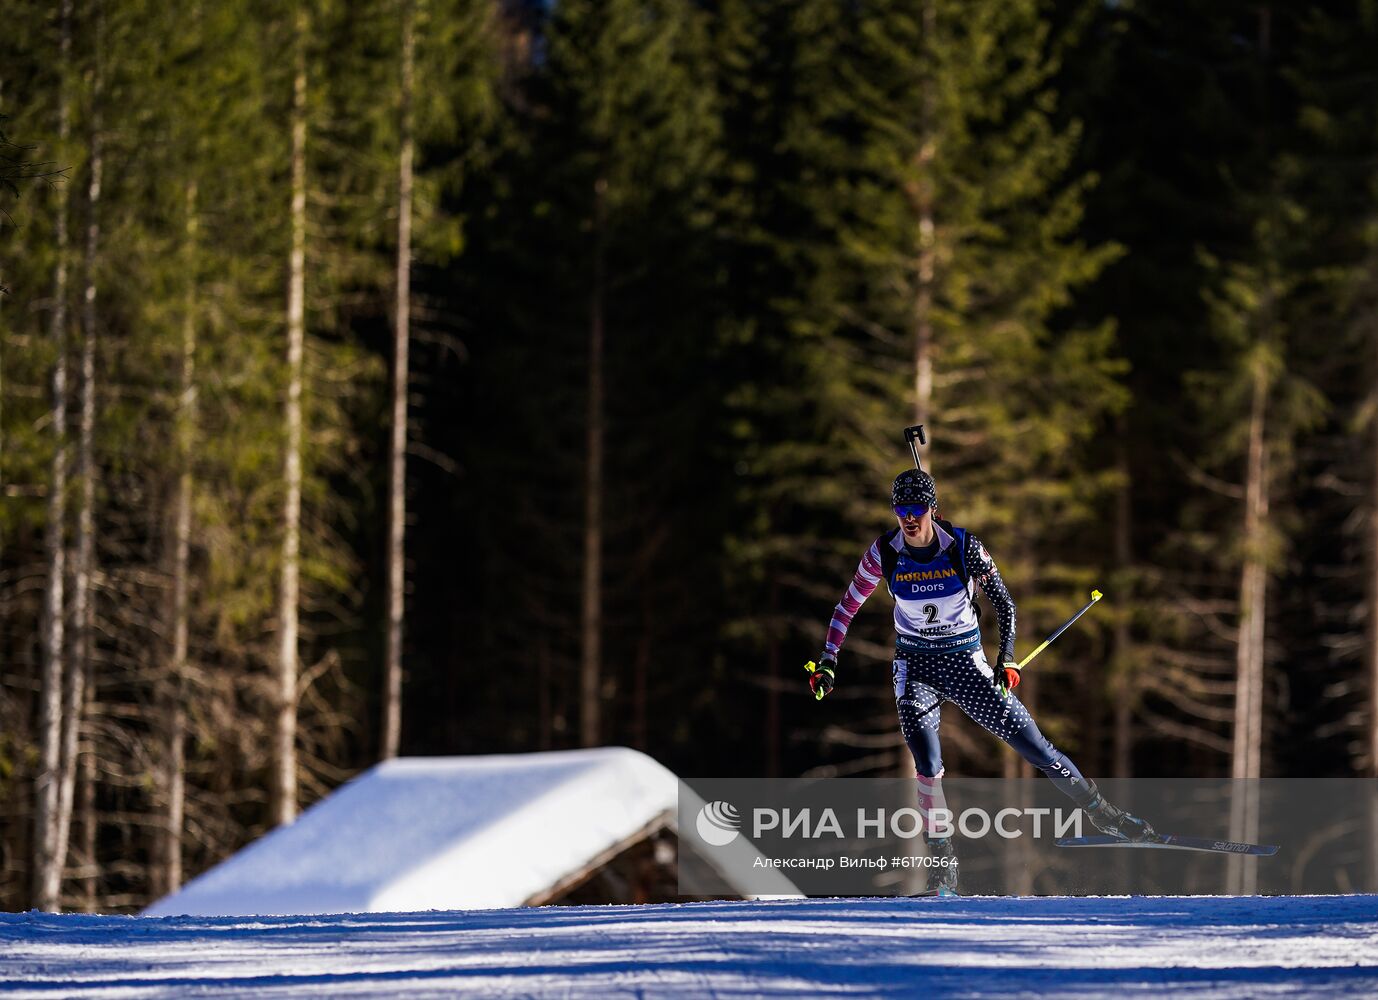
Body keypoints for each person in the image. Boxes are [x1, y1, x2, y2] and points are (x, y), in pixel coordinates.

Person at [808, 468, 1153, 894]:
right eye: (901, 509)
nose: (909, 517)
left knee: (1037, 748)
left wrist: (1006, 658)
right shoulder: (884, 552)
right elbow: (846, 607)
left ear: (932, 508)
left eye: (917, 508)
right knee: (927, 764)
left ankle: (1103, 813)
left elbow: (1004, 602)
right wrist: (828, 660)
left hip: (965, 664)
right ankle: (943, 868)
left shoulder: (963, 546)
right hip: (915, 666)